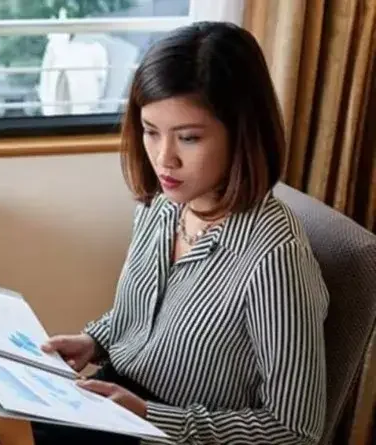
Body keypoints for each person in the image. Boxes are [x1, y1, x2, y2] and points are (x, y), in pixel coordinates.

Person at [34, 21, 329, 445]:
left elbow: (294, 429)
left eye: (188, 138)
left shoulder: (275, 256)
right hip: (114, 402)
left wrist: (153, 417)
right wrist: (93, 341)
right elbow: (141, 317)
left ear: (242, 133)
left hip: (168, 433)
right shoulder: (162, 206)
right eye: (151, 132)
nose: (163, 159)